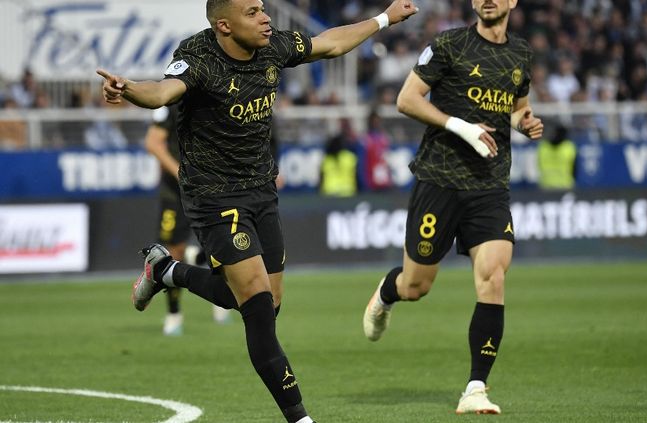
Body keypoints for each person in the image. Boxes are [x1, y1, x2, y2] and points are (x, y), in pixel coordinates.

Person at [96, 1, 418, 422]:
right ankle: (300, 418)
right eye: (253, 12)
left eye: (264, 8)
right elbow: (161, 91)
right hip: (213, 196)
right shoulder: (198, 57)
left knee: (263, 301)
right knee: (260, 311)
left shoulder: (271, 47)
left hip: (260, 190)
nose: (266, 18)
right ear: (225, 25)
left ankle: (166, 272)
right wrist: (127, 89)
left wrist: (383, 19)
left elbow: (329, 45)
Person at [362, 0, 543, 415]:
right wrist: (459, 126)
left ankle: (476, 387)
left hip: (489, 185)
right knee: (416, 287)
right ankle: (388, 293)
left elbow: (515, 107)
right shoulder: (449, 45)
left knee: (493, 276)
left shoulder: (521, 54)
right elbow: (407, 100)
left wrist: (526, 122)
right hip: (439, 182)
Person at [144, 104, 231, 336]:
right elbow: (153, 143)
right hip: (176, 193)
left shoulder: (216, 95)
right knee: (173, 251)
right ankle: (173, 314)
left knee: (221, 247)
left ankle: (221, 300)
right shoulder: (170, 102)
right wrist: (180, 172)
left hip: (210, 188)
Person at [319, 127, 358, 197]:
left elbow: (321, 178)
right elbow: (356, 175)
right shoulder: (350, 157)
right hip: (348, 192)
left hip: (330, 192)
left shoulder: (327, 159)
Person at [537, 124, 577, 191]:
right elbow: (575, 168)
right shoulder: (569, 147)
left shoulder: (543, 147)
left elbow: (538, 164)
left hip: (546, 184)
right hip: (565, 185)